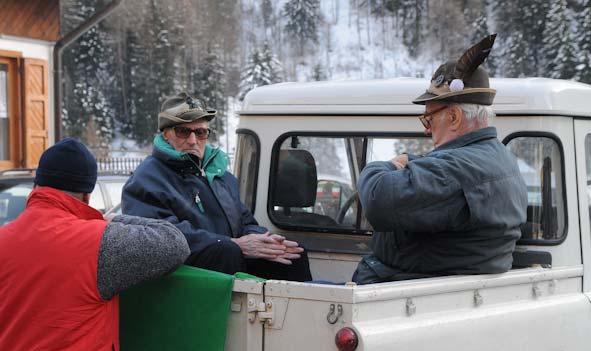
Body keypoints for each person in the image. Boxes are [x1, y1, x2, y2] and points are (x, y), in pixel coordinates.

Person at [0, 138, 190, 351]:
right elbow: (175, 243)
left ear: (37, 186)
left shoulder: (4, 238)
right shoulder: (100, 242)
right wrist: (110, 222)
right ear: (87, 195)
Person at [352, 34, 528, 284]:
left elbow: (376, 198)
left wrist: (389, 164)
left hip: (396, 293)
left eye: (429, 118)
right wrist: (412, 160)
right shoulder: (500, 159)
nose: (426, 128)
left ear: (454, 117)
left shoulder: (454, 169)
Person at [122, 92, 312, 281]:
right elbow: (159, 238)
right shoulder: (147, 178)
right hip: (187, 278)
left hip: (226, 262)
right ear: (165, 134)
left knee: (292, 254)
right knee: (227, 251)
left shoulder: (220, 176)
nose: (192, 140)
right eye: (182, 131)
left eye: (200, 132)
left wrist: (263, 240)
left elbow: (245, 223)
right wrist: (233, 244)